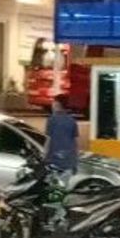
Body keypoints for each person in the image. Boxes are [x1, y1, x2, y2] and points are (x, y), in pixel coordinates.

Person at [44, 94, 78, 230]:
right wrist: (75, 162)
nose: (52, 105)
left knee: (53, 192)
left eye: (53, 103)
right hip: (68, 163)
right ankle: (60, 218)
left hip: (54, 162)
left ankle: (56, 219)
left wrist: (44, 158)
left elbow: (48, 141)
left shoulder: (52, 120)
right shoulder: (72, 121)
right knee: (62, 191)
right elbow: (75, 143)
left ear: (58, 105)